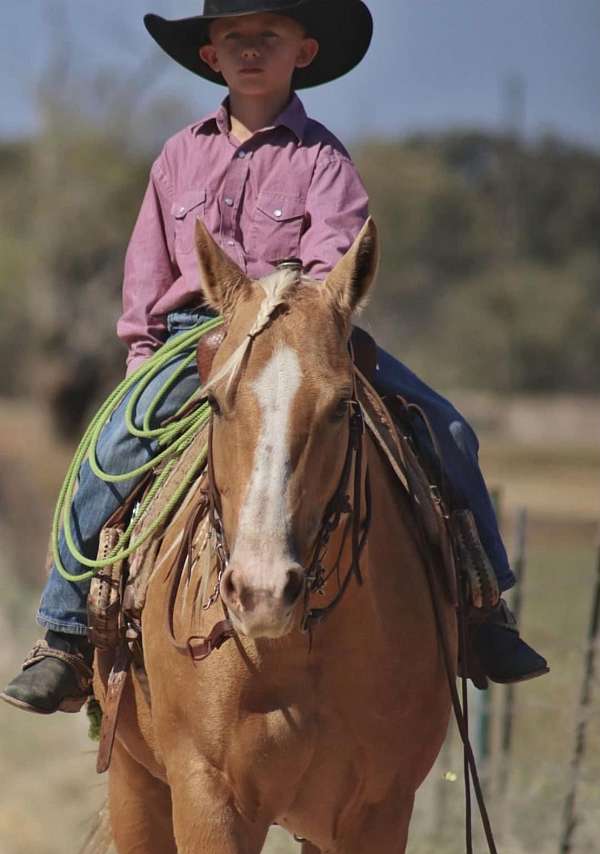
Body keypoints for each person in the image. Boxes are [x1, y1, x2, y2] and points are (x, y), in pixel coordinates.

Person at [1, 0, 548, 716]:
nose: (250, 50)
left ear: (304, 52)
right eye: (234, 39)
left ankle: (480, 610)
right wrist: (141, 357)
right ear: (210, 57)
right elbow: (147, 270)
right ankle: (67, 636)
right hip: (197, 335)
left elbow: (337, 264)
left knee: (445, 427)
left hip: (305, 329)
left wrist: (297, 314)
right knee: (110, 447)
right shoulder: (178, 155)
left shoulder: (323, 159)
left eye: (269, 37)